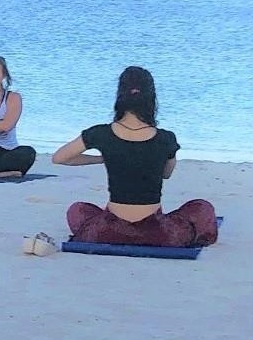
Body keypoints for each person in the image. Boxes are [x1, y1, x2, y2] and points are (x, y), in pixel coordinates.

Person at [52, 66, 217, 247]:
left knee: (77, 210)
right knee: (202, 208)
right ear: (151, 98)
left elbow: (59, 158)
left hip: (109, 231)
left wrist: (101, 159)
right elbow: (166, 174)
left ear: (120, 96)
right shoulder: (166, 138)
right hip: (158, 233)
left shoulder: (101, 133)